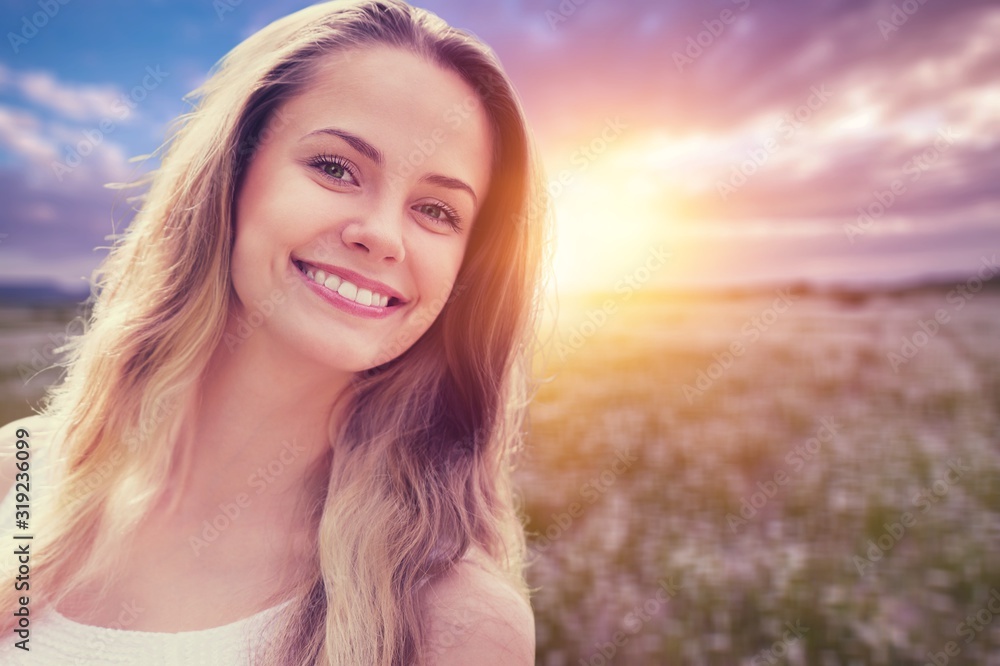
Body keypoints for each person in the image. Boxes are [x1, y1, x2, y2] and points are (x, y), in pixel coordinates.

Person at [0, 1, 549, 663]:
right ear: (232, 175)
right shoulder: (18, 473)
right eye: (336, 168)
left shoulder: (453, 623)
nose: (380, 233)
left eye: (435, 210)